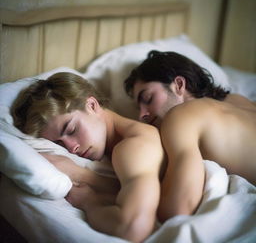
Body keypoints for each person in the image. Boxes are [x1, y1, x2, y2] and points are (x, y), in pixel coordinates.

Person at [11, 72, 165, 243]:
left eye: (71, 130)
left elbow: (131, 228)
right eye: (60, 144)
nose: (71, 148)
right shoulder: (121, 145)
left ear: (92, 105)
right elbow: (135, 191)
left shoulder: (132, 147)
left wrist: (89, 201)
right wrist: (83, 175)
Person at [124, 50, 256, 222]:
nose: (141, 115)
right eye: (138, 108)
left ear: (178, 85)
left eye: (148, 98)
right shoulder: (237, 99)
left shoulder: (181, 115)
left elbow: (178, 210)